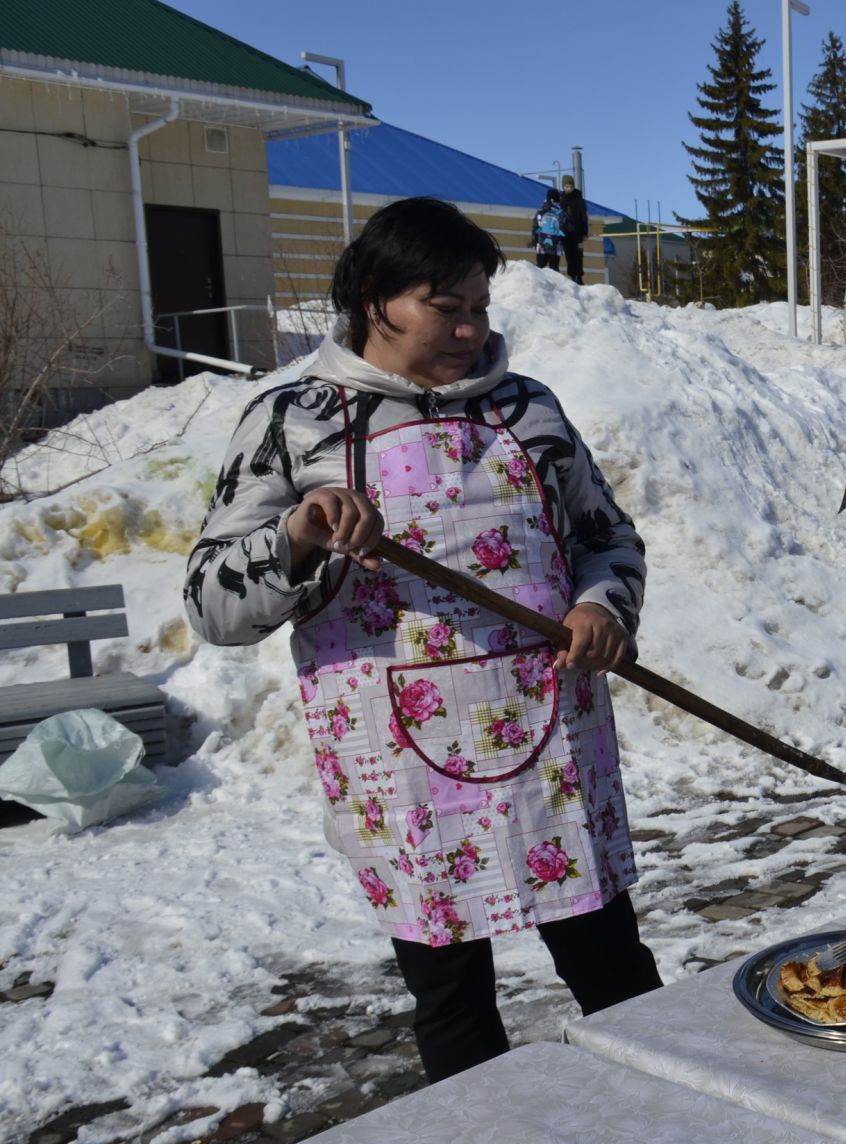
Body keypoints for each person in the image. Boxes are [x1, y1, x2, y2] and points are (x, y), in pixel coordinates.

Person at [183, 196, 660, 1082]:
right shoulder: (295, 421)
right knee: (451, 1000)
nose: (473, 329)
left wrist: (604, 608)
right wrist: (295, 537)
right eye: (448, 308)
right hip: (399, 766)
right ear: (374, 298)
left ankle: (694, 1141)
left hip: (555, 740)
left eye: (481, 306)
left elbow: (608, 538)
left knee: (616, 972)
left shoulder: (528, 411)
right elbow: (213, 605)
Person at [559, 175, 590, 286]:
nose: (568, 188)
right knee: (569, 255)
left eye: (570, 186)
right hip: (566, 234)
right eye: (566, 186)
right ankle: (572, 275)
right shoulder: (561, 199)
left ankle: (579, 276)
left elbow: (583, 217)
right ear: (563, 187)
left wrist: (585, 233)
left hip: (578, 233)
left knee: (578, 255)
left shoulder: (579, 199)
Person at [531, 188, 565, 273]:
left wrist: (534, 242)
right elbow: (564, 229)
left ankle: (538, 284)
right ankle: (555, 285)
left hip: (541, 242)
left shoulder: (540, 212)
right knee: (554, 267)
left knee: (540, 266)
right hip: (556, 244)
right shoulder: (560, 213)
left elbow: (535, 228)